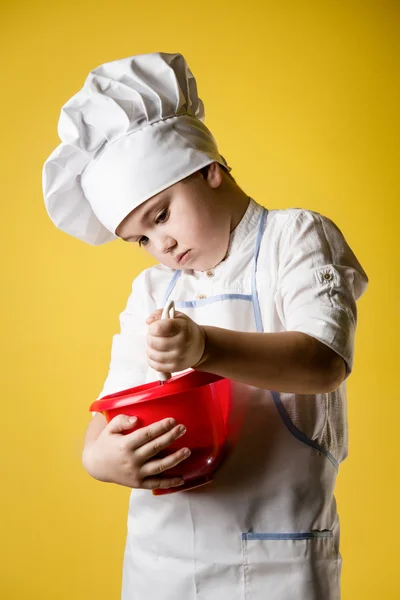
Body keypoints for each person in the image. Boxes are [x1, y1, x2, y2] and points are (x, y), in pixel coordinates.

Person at [43, 52, 368, 600]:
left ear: (209, 170)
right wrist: (97, 458)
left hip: (276, 560)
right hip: (158, 564)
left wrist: (204, 346)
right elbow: (112, 407)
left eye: (162, 215)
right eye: (141, 240)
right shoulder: (153, 290)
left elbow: (323, 362)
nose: (162, 247)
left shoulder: (297, 238)